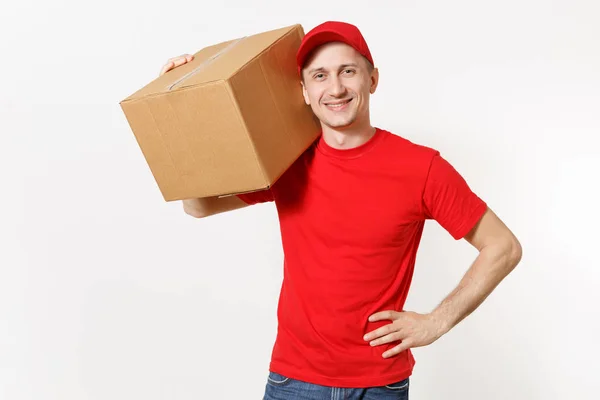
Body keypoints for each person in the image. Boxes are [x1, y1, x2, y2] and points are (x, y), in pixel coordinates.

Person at [159, 21, 522, 400]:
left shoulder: (421, 168)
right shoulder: (286, 162)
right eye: (320, 76)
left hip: (380, 383)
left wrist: (437, 321)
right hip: (292, 381)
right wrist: (180, 104)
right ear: (303, 91)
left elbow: (503, 247)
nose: (335, 89)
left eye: (347, 71)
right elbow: (198, 206)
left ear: (372, 79)